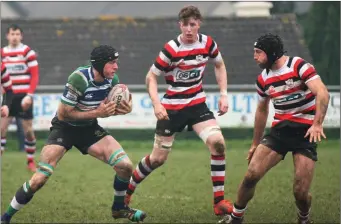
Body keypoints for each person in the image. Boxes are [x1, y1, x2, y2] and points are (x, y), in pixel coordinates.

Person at [1, 45, 147, 223]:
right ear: (100, 64)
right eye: (112, 63)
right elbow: (64, 113)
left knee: (125, 166)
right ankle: (5, 217)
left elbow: (117, 104)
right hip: (64, 128)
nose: (116, 67)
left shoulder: (112, 80)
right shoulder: (79, 79)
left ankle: (119, 209)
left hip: (88, 129)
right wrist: (98, 113)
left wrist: (125, 107)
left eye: (116, 63)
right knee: (39, 179)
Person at [125, 5, 233, 217]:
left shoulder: (208, 43)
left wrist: (223, 94)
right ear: (180, 25)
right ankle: (126, 193)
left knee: (218, 144)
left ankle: (219, 201)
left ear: (198, 24)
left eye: (193, 24)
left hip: (197, 105)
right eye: (185, 25)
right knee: (157, 159)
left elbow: (219, 65)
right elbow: (151, 77)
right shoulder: (171, 49)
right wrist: (157, 104)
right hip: (171, 109)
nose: (189, 29)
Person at [229, 33, 330, 224]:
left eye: (258, 52)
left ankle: (304, 218)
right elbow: (261, 110)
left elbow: (322, 93)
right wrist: (254, 144)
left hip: (305, 134)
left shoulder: (298, 66)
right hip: (279, 133)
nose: (254, 56)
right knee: (251, 174)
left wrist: (317, 124)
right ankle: (236, 217)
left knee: (300, 192)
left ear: (272, 53)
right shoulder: (263, 79)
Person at [1, 24, 40, 171]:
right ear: (7, 36)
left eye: (17, 34)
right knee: (1, 129)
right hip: (8, 97)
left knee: (28, 131)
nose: (15, 36)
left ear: (21, 36)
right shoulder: (2, 53)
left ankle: (30, 161)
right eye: (12, 34)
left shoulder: (27, 52)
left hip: (24, 96)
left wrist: (29, 95)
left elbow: (35, 76)